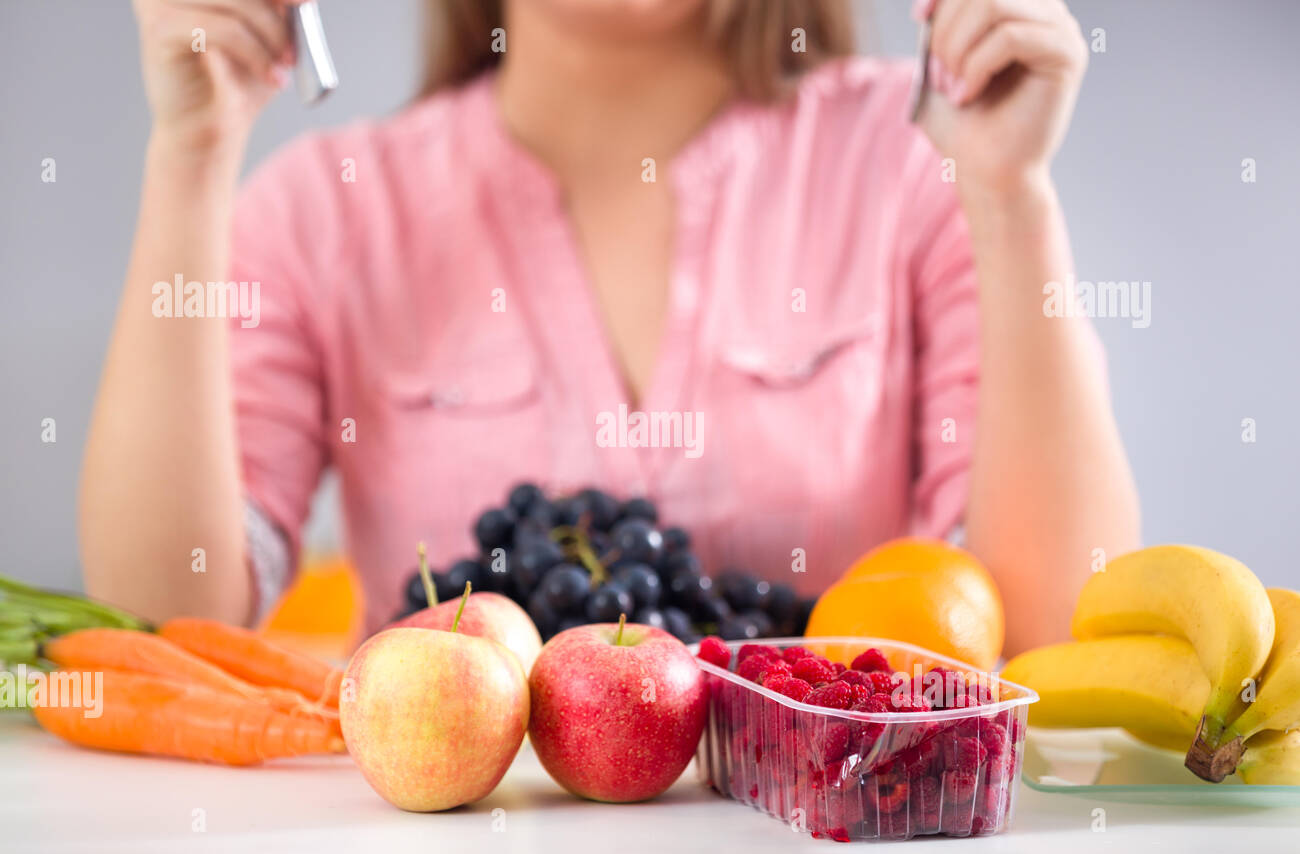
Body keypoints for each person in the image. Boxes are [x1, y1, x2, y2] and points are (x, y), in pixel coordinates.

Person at [83, 0, 1139, 649]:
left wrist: (1011, 194)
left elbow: (1051, 623)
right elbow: (163, 619)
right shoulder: (326, 205)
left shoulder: (924, 155)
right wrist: (190, 155)